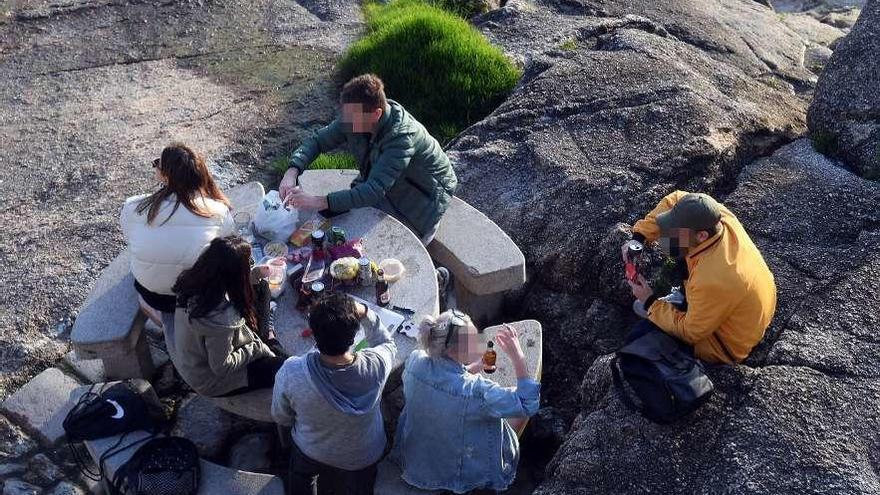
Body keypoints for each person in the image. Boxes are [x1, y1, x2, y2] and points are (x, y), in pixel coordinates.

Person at [278, 74, 458, 246]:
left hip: (420, 205)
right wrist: (291, 171)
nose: (346, 122)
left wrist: (317, 200)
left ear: (377, 114)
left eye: (352, 118)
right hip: (386, 186)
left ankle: (439, 276)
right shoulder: (355, 115)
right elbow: (318, 141)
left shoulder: (402, 138)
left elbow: (373, 191)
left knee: (384, 252)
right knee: (344, 235)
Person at [392, 310, 540, 494]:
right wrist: (517, 354)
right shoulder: (476, 391)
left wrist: (473, 368)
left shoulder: (415, 362)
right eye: (474, 341)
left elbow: (447, 382)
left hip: (420, 460)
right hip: (456, 470)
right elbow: (528, 403)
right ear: (455, 351)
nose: (480, 343)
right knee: (511, 401)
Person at [622, 191, 777, 363]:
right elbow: (675, 199)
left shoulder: (712, 278)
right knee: (678, 247)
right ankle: (684, 303)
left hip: (725, 343)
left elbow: (690, 333)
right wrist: (639, 238)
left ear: (702, 235)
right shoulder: (717, 216)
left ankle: (680, 308)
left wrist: (650, 302)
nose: (669, 232)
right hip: (749, 310)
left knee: (640, 336)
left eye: (677, 229)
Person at [272, 292, 396, 495]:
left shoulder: (292, 372)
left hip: (312, 450)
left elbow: (281, 417)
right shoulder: (377, 365)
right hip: (364, 454)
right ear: (354, 335)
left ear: (313, 333)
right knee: (362, 486)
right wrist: (366, 312)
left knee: (300, 472)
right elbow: (388, 344)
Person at [120, 143, 234, 325]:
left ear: (164, 175)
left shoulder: (133, 206)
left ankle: (161, 324)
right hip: (197, 295)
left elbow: (129, 238)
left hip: (152, 294)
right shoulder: (218, 211)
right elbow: (226, 248)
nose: (155, 166)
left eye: (157, 163)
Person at [169, 236, 288, 397]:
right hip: (211, 380)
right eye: (247, 265)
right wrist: (255, 348)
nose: (249, 266)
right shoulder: (219, 318)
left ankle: (267, 336)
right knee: (283, 368)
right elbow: (222, 367)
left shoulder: (195, 280)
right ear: (235, 276)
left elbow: (234, 288)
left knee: (261, 286)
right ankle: (270, 339)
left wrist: (254, 274)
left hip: (201, 352)